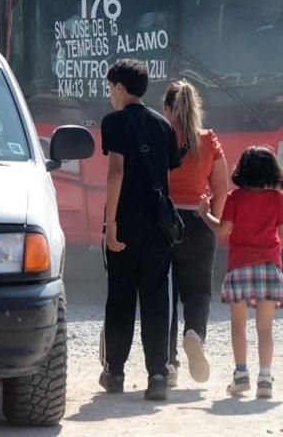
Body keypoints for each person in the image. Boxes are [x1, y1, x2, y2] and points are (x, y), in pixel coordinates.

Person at [99, 59, 182, 401]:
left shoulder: (114, 122)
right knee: (155, 298)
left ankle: (115, 373)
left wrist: (111, 224)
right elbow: (168, 171)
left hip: (127, 222)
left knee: (120, 297)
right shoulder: (163, 125)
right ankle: (158, 375)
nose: (109, 95)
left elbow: (116, 171)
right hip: (159, 225)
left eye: (110, 89)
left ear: (120, 88)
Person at [197, 146, 283, 399]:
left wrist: (204, 214)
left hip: (239, 267)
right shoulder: (277, 199)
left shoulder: (234, 198)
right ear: (271, 170)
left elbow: (222, 231)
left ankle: (241, 375)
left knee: (238, 326)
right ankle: (265, 378)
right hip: (268, 267)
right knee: (265, 329)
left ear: (242, 170)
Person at [162, 80, 229, 387]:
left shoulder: (159, 137)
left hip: (163, 222)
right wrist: (210, 216)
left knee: (164, 294)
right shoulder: (209, 140)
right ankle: (194, 333)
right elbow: (220, 188)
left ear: (166, 109)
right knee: (198, 290)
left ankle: (168, 363)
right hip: (199, 223)